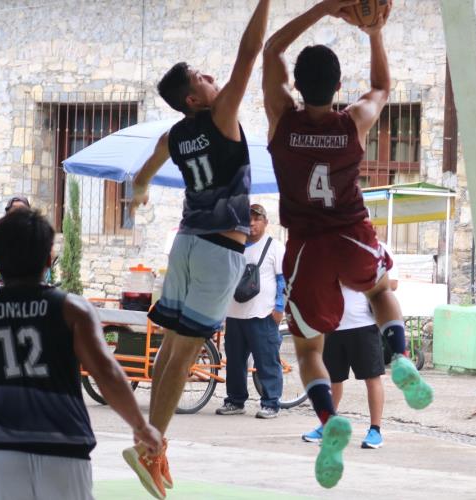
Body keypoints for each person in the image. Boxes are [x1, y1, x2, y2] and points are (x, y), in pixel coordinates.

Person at [262, 0, 431, 489]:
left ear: (297, 85)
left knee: (309, 348)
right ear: (338, 88)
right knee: (379, 293)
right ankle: (399, 356)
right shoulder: (352, 120)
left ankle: (328, 415)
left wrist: (324, 8)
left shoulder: (282, 121)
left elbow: (272, 48)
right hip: (352, 233)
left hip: (307, 247)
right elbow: (382, 87)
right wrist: (373, 30)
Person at [126, 1, 271, 497]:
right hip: (217, 251)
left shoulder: (176, 135)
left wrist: (139, 193)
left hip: (186, 243)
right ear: (193, 97)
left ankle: (150, 441)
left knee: (171, 348)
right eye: (202, 76)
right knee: (183, 352)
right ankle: (150, 445)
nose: (213, 77)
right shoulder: (220, 115)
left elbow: (144, 171)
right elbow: (249, 54)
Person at [0, 208, 162, 500]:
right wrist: (140, 426)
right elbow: (106, 372)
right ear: (47, 260)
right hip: (64, 456)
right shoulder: (73, 310)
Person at [302, 244, 399, 449]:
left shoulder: (379, 250)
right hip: (333, 324)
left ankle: (375, 430)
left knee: (372, 378)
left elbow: (393, 283)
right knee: (333, 380)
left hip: (364, 325)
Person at [217, 203, 286, 419]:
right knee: (235, 362)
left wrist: (279, 307)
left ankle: (271, 403)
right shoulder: (234, 246)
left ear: (265, 222)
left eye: (257, 219)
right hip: (235, 314)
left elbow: (282, 279)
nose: (252, 223)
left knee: (267, 360)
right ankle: (235, 400)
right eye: (249, 219)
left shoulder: (275, 247)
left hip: (263, 314)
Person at [0, 196, 31, 296]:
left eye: (21, 208)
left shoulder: (36, 230)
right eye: (14, 208)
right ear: (8, 211)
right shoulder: (2, 232)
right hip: (6, 285)